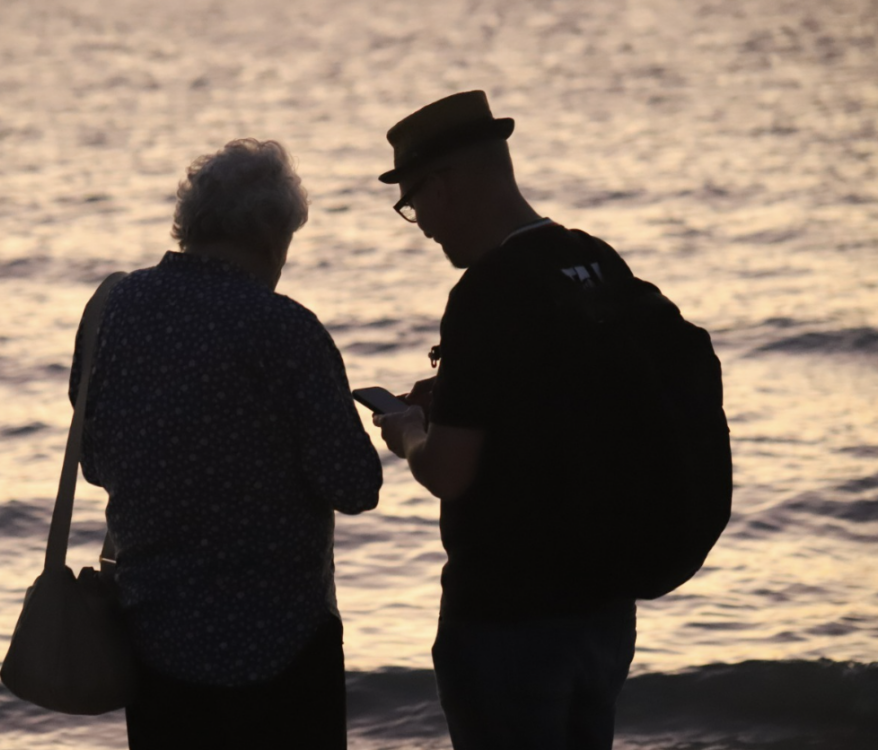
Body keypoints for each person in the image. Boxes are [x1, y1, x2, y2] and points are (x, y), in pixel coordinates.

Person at [68, 138, 382, 749]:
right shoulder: (284, 327)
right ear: (270, 233)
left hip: (154, 637)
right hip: (281, 642)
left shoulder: (112, 310)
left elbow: (96, 461)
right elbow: (355, 486)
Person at [372, 91, 640, 749]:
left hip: (509, 620)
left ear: (449, 184)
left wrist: (407, 430)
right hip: (604, 611)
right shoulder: (597, 264)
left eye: (415, 202)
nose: (422, 224)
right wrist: (457, 393)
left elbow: (450, 472)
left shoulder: (485, 293)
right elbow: (571, 402)